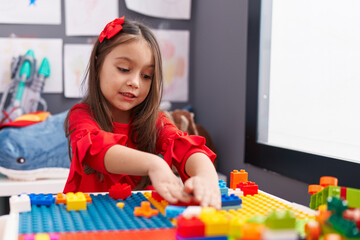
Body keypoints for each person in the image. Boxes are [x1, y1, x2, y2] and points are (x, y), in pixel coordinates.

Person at [63, 16, 221, 209]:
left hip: (136, 220)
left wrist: (206, 176)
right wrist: (154, 164)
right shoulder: (80, 115)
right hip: (85, 218)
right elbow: (95, 149)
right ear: (98, 65)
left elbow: (184, 146)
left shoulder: (156, 121)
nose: (135, 83)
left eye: (146, 76)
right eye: (124, 69)